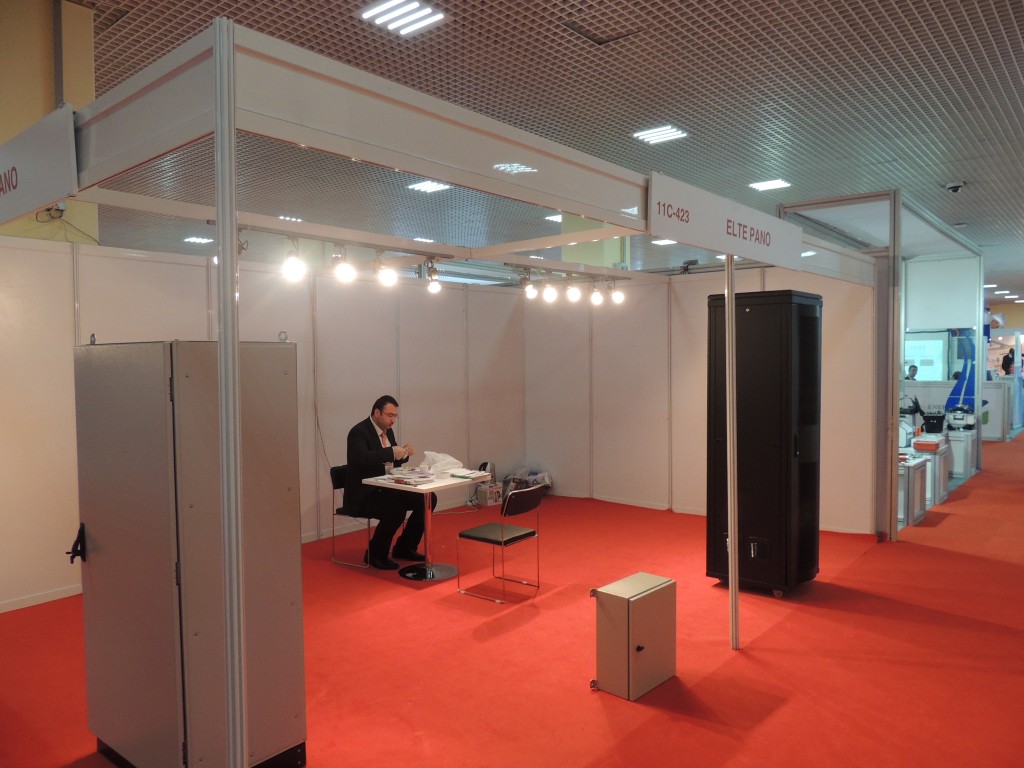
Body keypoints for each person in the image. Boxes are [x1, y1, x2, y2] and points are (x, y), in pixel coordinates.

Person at [345, 395, 433, 570]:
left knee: (427, 499)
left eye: (395, 416)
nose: (393, 420)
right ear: (377, 412)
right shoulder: (358, 432)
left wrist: (404, 453)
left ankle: (405, 547)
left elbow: (391, 461)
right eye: (390, 415)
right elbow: (362, 458)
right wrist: (391, 452)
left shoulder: (388, 431)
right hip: (364, 494)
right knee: (395, 508)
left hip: (386, 489)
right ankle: (375, 553)